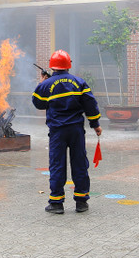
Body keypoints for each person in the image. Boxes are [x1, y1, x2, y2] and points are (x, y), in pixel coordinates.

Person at [32, 49, 102, 214]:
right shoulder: (79, 82)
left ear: (52, 67)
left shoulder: (47, 84)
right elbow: (90, 104)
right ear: (68, 65)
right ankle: (81, 202)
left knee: (57, 165)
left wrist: (42, 82)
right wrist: (95, 124)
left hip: (57, 132)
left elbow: (38, 103)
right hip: (76, 130)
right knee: (79, 164)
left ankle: (56, 203)